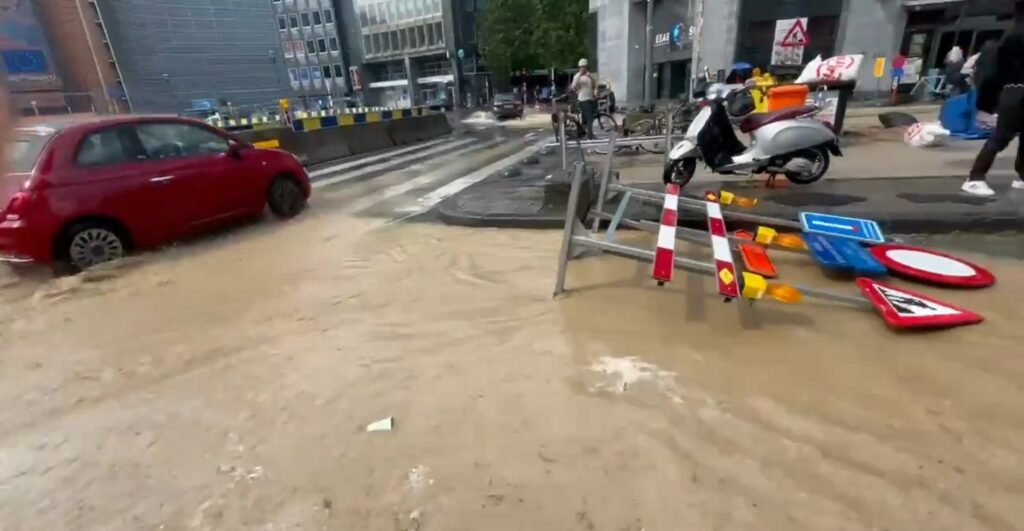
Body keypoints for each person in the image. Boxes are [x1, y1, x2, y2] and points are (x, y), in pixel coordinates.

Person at [964, 2, 1024, 196]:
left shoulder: (1014, 34)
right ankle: (974, 177)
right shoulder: (1015, 37)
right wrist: (987, 104)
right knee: (1001, 137)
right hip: (1015, 94)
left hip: (1014, 93)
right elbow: (998, 72)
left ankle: (1022, 176)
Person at [571, 58, 598, 140]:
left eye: (585, 67)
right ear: (579, 67)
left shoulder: (589, 75)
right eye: (582, 67)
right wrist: (579, 76)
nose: (583, 69)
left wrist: (590, 76)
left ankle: (582, 133)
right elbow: (573, 86)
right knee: (589, 118)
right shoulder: (577, 76)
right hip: (583, 100)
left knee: (587, 118)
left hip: (591, 99)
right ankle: (590, 136)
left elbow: (594, 85)